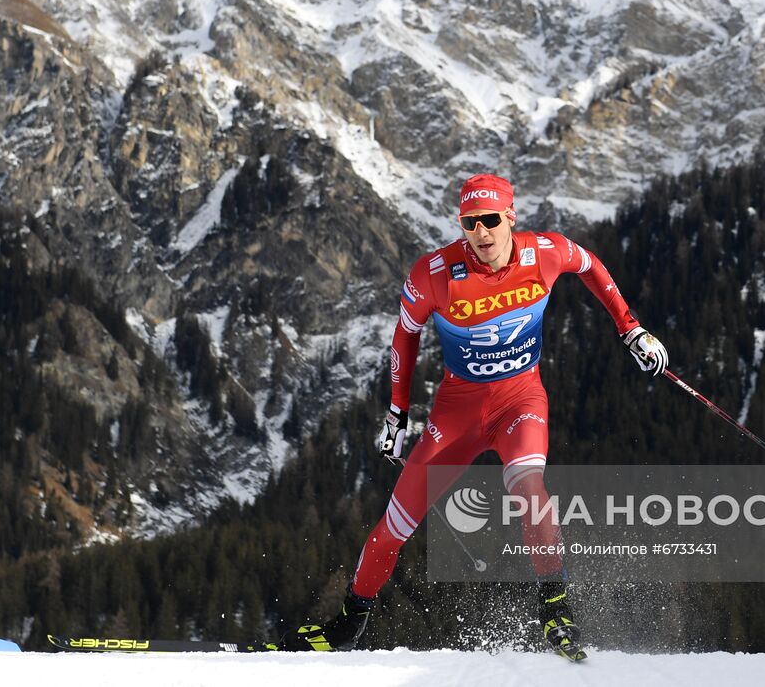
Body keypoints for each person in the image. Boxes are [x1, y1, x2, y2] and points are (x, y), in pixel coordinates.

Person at [284, 173, 668, 659]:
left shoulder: (544, 252)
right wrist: (397, 414)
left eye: (490, 220)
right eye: (470, 223)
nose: (481, 233)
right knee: (394, 527)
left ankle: (556, 611)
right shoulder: (434, 273)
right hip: (457, 416)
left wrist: (630, 328)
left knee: (531, 490)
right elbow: (405, 336)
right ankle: (348, 623)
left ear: (510, 216)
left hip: (521, 401)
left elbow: (590, 266)